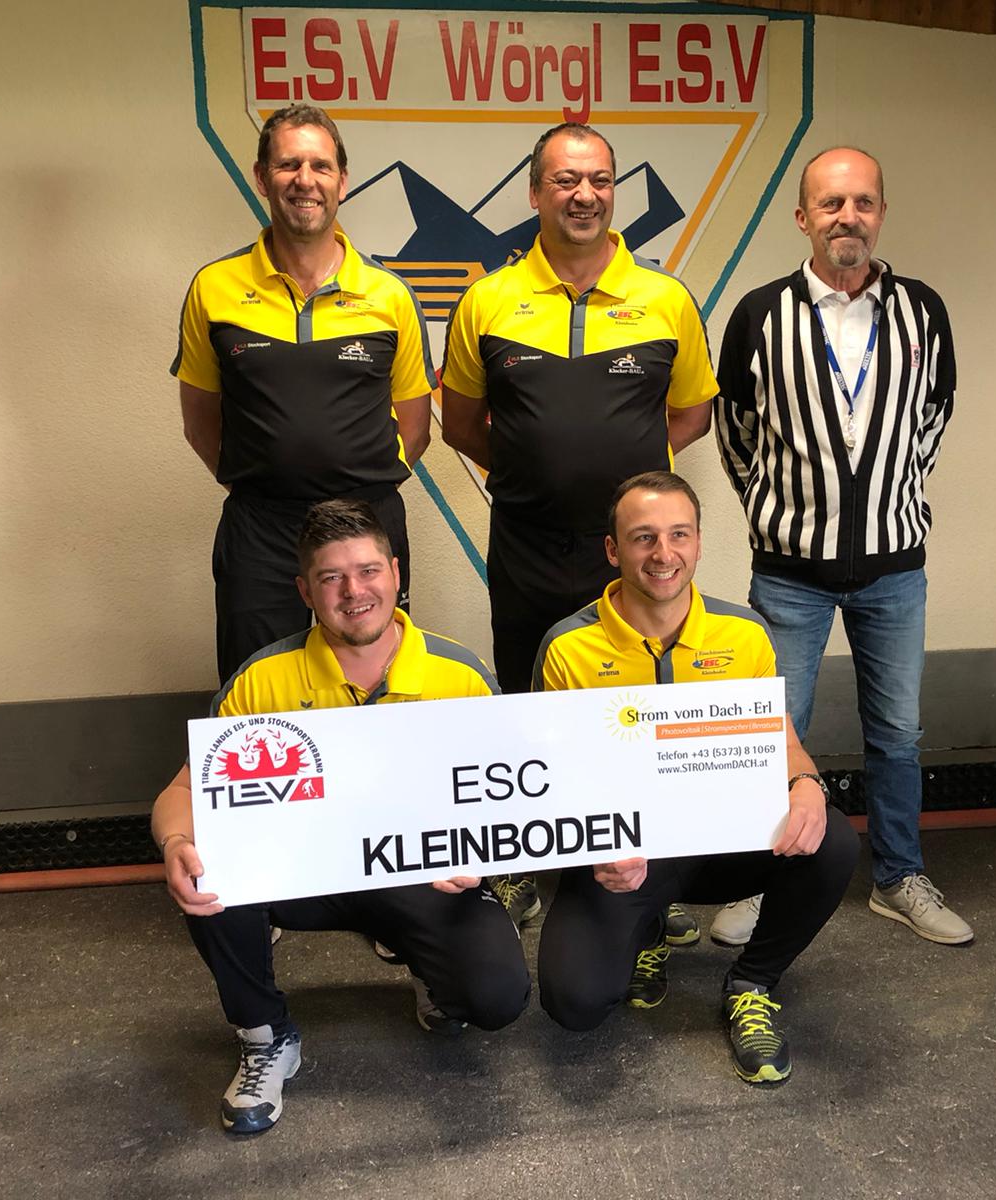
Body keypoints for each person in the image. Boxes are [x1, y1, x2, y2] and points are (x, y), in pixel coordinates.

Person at [151, 500, 529, 1135]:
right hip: (305, 874)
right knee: (210, 861)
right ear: (305, 591)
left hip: (420, 875)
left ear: (396, 573)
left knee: (495, 999)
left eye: (368, 571)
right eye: (332, 577)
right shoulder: (262, 679)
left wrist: (486, 856)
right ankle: (265, 1036)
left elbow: (518, 796)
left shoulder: (461, 674)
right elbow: (184, 788)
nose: (354, 591)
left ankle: (429, 967)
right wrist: (176, 841)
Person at [440, 121, 718, 932]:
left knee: (632, 710)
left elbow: (691, 412)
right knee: (528, 702)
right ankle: (527, 862)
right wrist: (537, 470)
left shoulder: (666, 299)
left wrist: (629, 497)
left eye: (598, 179)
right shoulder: (487, 299)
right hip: (526, 542)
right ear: (535, 193)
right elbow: (461, 423)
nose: (584, 194)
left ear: (614, 191)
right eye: (565, 180)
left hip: (631, 557)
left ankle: (644, 873)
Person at [712, 146, 971, 948]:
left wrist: (885, 491)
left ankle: (898, 877)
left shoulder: (923, 311)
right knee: (772, 729)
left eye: (862, 202)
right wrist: (782, 509)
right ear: (803, 218)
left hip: (894, 570)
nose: (847, 217)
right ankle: (760, 880)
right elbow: (736, 432)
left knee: (897, 733)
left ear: (881, 213)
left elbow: (933, 415)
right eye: (830, 203)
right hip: (789, 573)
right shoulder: (759, 315)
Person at [533, 472, 859, 1086]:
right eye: (644, 537)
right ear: (613, 550)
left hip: (724, 842)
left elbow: (782, 740)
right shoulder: (567, 647)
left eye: (678, 534)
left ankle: (753, 984)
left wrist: (807, 784)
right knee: (574, 1005)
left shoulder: (745, 634)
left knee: (832, 840)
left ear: (700, 543)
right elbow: (551, 781)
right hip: (627, 854)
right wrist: (596, 849)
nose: (664, 553)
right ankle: (648, 930)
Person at [172, 104, 434, 684]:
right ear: (262, 178)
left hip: (367, 523)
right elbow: (200, 421)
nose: (305, 179)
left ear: (343, 180)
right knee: (258, 685)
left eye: (320, 165)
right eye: (288, 164)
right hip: (262, 530)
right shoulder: (214, 288)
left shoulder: (390, 294)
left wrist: (354, 489)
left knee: (375, 681)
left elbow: (415, 429)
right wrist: (267, 481)